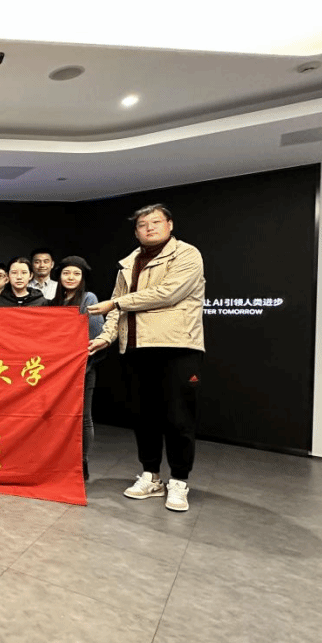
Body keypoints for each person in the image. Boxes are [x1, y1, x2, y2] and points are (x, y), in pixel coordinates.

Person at [88, 204, 205, 512]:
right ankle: (151, 475)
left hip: (177, 346)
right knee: (144, 417)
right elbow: (118, 308)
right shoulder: (129, 263)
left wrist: (115, 303)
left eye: (156, 222)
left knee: (179, 417)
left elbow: (168, 293)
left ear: (170, 224)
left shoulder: (187, 254)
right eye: (142, 224)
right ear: (136, 231)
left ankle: (179, 480)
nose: (149, 228)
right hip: (136, 349)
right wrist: (106, 337)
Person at [52, 256, 104, 481]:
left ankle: (82, 462)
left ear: (83, 277)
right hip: (57, 371)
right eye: (66, 273)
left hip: (83, 369)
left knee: (83, 417)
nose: (70, 277)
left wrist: (82, 366)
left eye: (76, 273)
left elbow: (94, 334)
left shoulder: (88, 298)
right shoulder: (54, 301)